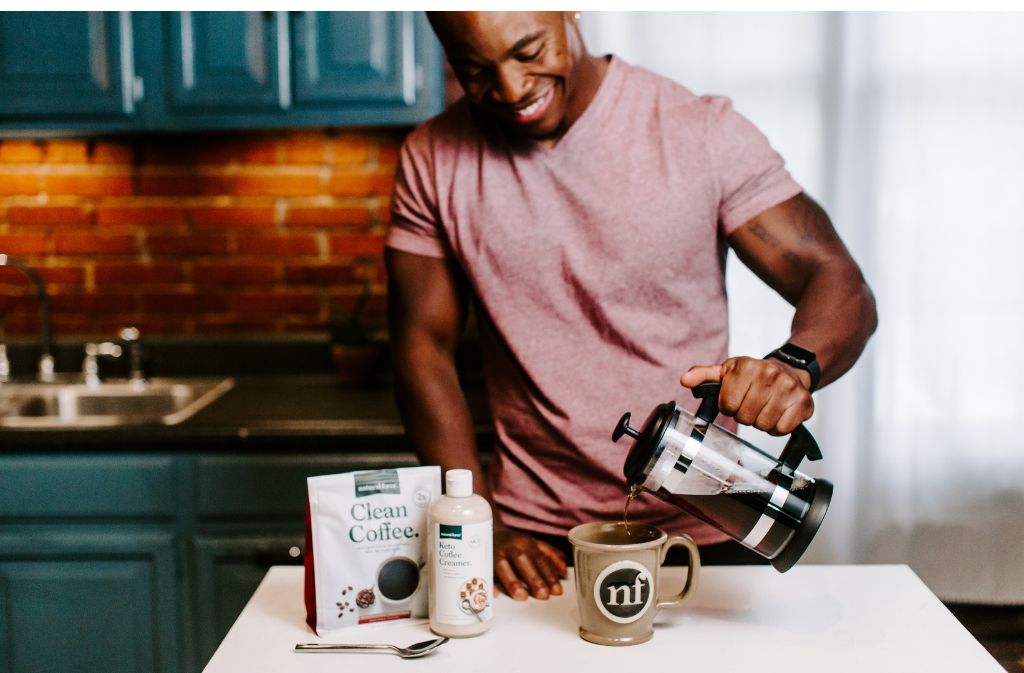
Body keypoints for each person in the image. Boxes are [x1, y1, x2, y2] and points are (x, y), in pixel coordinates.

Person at [385, 12, 877, 601]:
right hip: (537, 542)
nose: (513, 90)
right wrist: (475, 520)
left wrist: (793, 365)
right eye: (476, 71)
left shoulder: (699, 131)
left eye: (529, 50)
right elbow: (422, 347)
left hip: (710, 520)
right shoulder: (433, 159)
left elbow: (836, 278)